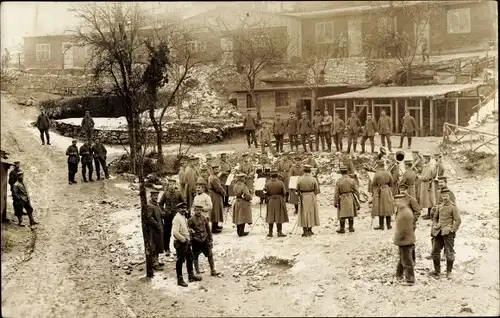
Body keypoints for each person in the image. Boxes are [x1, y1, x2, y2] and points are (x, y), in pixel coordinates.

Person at [430, 189, 461, 278]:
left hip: (448, 234)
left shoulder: (453, 207)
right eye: (443, 196)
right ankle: (437, 271)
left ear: (449, 196)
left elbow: (458, 220)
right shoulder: (439, 206)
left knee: (449, 252)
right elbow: (435, 218)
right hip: (438, 232)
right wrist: (435, 224)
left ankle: (449, 272)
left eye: (446, 196)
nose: (445, 198)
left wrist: (452, 230)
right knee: (435, 252)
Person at [172, 202, 202, 287]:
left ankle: (191, 276)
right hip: (180, 242)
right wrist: (183, 240)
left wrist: (189, 230)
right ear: (178, 209)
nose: (184, 210)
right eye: (182, 208)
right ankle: (180, 279)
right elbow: (175, 232)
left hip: (186, 242)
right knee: (180, 260)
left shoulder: (183, 217)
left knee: (190, 257)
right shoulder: (177, 218)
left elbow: (183, 228)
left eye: (185, 208)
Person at [188, 205, 221, 277]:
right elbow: (189, 232)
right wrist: (190, 241)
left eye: (200, 210)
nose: (199, 211)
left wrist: (211, 240)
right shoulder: (190, 220)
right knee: (195, 257)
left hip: (205, 239)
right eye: (197, 210)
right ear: (194, 210)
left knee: (210, 254)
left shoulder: (204, 218)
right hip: (196, 241)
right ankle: (197, 272)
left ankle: (213, 270)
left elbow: (208, 230)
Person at [393, 194, 416, 285]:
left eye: (398, 201)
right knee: (403, 258)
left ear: (403, 201)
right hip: (405, 239)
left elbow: (404, 229)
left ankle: (410, 280)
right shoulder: (402, 210)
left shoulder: (405, 212)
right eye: (395, 201)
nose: (396, 203)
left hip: (405, 240)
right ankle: (399, 275)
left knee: (407, 260)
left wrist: (398, 239)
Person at [159, 178, 185, 257]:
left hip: (176, 217)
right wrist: (163, 212)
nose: (171, 186)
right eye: (170, 184)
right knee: (167, 233)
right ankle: (166, 249)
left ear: (175, 185)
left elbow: (184, 203)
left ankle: (179, 249)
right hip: (167, 216)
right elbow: (160, 204)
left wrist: (181, 211)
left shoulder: (178, 193)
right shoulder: (165, 193)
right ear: (168, 185)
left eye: (173, 184)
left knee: (178, 232)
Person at [334, 165, 359, 233]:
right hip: (350, 197)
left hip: (342, 198)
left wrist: (335, 202)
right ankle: (351, 228)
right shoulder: (352, 180)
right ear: (347, 172)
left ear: (341, 173)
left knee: (342, 214)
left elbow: (336, 193)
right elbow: (356, 191)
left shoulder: (339, 181)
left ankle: (342, 229)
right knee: (351, 213)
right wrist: (358, 200)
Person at [296, 164, 320, 237]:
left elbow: (297, 190)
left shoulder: (299, 179)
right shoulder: (313, 179)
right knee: (311, 212)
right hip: (311, 196)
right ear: (310, 171)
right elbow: (317, 190)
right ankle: (310, 230)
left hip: (303, 196)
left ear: (303, 170)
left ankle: (304, 231)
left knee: (303, 213)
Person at [144, 190, 165, 273]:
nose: (156, 197)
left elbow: (161, 214)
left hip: (158, 229)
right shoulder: (149, 206)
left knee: (158, 245)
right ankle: (154, 264)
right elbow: (149, 218)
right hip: (153, 230)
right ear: (151, 196)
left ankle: (157, 261)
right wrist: (157, 225)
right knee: (154, 246)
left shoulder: (156, 205)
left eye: (157, 195)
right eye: (154, 196)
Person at [371, 160, 394, 230]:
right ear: (384, 165)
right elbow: (391, 183)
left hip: (380, 190)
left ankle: (381, 226)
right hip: (387, 190)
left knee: (380, 207)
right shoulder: (388, 172)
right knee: (388, 206)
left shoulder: (377, 173)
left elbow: (373, 184)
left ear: (378, 166)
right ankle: (389, 225)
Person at [264, 170, 288, 238]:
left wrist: (268, 197)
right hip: (279, 200)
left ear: (270, 176)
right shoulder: (280, 183)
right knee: (279, 216)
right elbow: (284, 193)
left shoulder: (267, 183)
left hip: (271, 200)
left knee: (270, 216)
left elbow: (265, 192)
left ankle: (270, 232)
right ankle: (279, 232)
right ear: (277, 176)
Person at [232, 173, 253, 237]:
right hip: (243, 202)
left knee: (238, 217)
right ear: (242, 178)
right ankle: (241, 232)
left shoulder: (235, 185)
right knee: (243, 218)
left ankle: (238, 231)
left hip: (237, 201)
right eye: (244, 178)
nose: (245, 179)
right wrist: (250, 197)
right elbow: (248, 195)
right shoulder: (243, 186)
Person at [208, 164, 225, 233]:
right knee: (215, 210)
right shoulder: (214, 178)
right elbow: (218, 188)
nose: (217, 170)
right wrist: (224, 192)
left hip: (213, 194)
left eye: (218, 169)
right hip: (215, 195)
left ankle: (216, 226)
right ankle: (214, 228)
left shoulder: (212, 177)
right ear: (212, 170)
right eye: (215, 169)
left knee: (216, 210)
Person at [420, 155, 435, 220]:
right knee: (428, 199)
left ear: (427, 159)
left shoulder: (429, 167)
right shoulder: (426, 166)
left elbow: (426, 178)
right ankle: (429, 214)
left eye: (424, 159)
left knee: (429, 200)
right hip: (427, 185)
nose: (423, 160)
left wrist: (419, 177)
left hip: (427, 185)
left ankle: (430, 215)